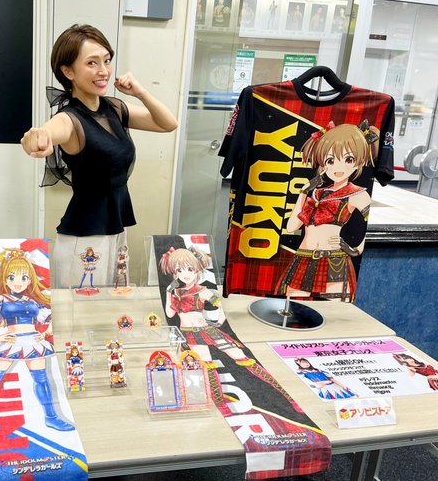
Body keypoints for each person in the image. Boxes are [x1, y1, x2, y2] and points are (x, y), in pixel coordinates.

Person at [20, 24, 177, 289]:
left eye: (106, 60)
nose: (103, 70)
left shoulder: (113, 108)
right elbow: (49, 131)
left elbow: (168, 123)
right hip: (85, 238)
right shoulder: (70, 119)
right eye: (92, 63)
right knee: (83, 310)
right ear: (68, 71)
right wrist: (38, 136)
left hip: (115, 228)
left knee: (111, 306)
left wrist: (140, 92)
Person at [160, 246, 303, 415]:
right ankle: (222, 406)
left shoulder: (202, 291)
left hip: (207, 329)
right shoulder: (176, 292)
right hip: (190, 334)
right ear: (174, 273)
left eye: (190, 269)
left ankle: (286, 397)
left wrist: (219, 321)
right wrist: (168, 293)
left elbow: (218, 306)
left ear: (196, 269)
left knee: (241, 357)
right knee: (207, 366)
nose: (185, 274)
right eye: (180, 270)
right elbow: (170, 314)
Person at [276, 122, 377, 301]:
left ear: (359, 162)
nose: (338, 167)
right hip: (303, 257)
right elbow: (292, 227)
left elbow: (369, 226)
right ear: (323, 164)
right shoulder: (316, 193)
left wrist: (352, 249)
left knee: (331, 312)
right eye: (330, 160)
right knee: (291, 308)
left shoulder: (357, 195)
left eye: (348, 159)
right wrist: (303, 192)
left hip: (333, 260)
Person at [0, 248, 74, 431]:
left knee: (42, 380)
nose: (18, 283)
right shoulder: (1, 298)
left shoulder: (33, 301)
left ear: (30, 280)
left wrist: (45, 334)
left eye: (23, 278)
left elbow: (49, 320)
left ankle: (51, 417)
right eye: (12, 277)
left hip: (33, 342)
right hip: (12, 342)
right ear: (5, 279)